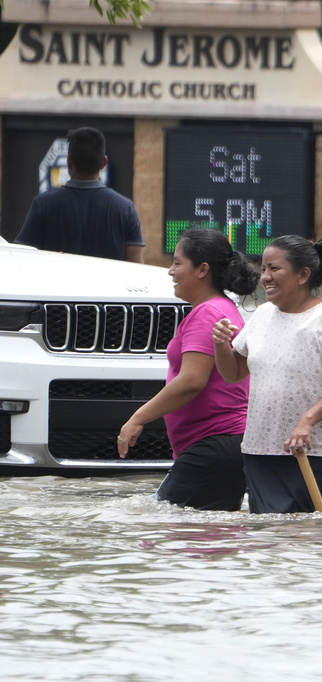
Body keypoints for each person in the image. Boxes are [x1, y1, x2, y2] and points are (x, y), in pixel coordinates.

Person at [212, 235, 322, 514]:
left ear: (303, 275)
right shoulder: (262, 315)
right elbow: (233, 373)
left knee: (314, 540)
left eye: (274, 269)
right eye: (263, 269)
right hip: (259, 449)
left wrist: (307, 421)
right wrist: (221, 344)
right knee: (267, 541)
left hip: (311, 450)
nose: (264, 277)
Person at [117, 229, 260, 510]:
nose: (170, 271)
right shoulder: (222, 308)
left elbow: (192, 381)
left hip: (215, 443)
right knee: (204, 538)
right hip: (222, 445)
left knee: (160, 527)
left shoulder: (208, 313)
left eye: (177, 263)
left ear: (202, 270)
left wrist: (137, 418)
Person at [16, 127, 145, 263]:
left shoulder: (43, 205)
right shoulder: (125, 209)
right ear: (103, 163)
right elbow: (136, 267)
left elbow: (21, 259)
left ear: (69, 161)